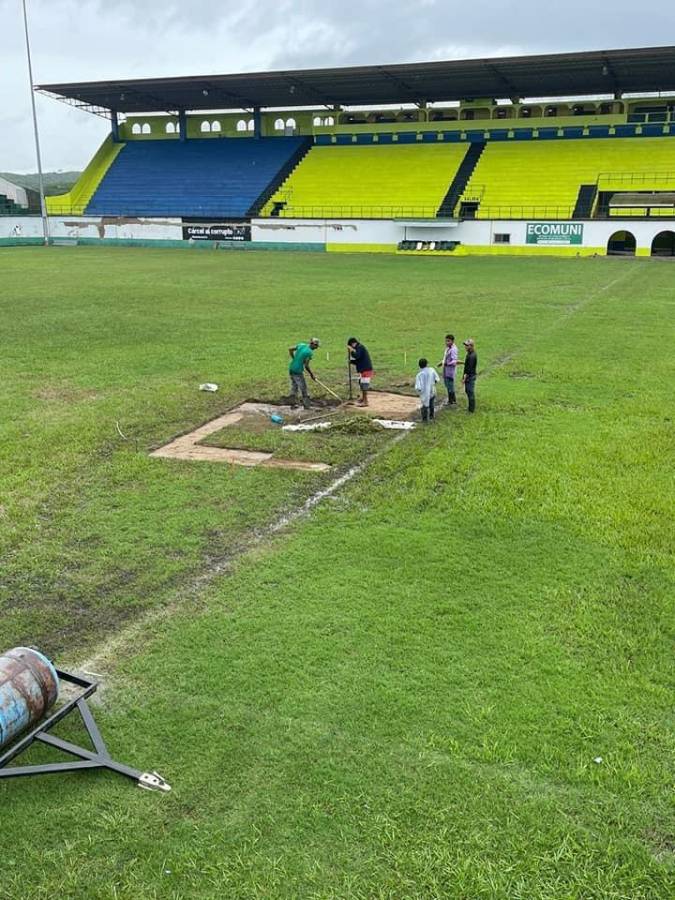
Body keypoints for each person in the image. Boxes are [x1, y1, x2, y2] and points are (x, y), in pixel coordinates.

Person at [288, 338, 320, 409]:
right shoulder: (309, 352)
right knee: (303, 388)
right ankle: (307, 405)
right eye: (316, 346)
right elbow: (306, 365)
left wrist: (294, 358)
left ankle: (293, 404)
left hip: (291, 368)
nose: (316, 348)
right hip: (298, 371)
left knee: (294, 386)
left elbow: (290, 349)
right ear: (313, 344)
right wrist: (312, 375)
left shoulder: (301, 345)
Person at [347, 337, 373, 407]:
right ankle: (363, 398)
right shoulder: (359, 348)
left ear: (353, 343)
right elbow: (358, 360)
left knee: (364, 385)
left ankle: (365, 401)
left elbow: (357, 356)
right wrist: (351, 361)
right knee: (361, 383)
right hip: (363, 369)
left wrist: (351, 351)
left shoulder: (360, 348)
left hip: (366, 369)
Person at [415, 358, 440, 422]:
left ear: (419, 365)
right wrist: (432, 384)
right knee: (431, 404)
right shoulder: (432, 370)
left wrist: (420, 392)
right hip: (432, 390)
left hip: (425, 393)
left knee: (424, 406)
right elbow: (437, 379)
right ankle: (431, 416)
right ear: (427, 364)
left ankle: (424, 419)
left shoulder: (419, 375)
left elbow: (418, 387)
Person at [438, 334, 459, 406]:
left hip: (450, 371)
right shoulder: (448, 348)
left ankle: (452, 401)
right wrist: (441, 363)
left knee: (450, 386)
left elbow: (454, 361)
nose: (447, 342)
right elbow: (445, 358)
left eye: (448, 341)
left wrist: (447, 364)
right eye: (446, 341)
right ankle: (451, 400)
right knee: (448, 385)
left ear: (452, 341)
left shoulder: (453, 350)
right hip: (446, 370)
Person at [461, 339, 478, 413]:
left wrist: (464, 378)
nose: (465, 347)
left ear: (471, 346)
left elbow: (469, 369)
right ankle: (470, 408)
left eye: (467, 345)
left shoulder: (471, 356)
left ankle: (471, 410)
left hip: (470, 376)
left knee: (470, 392)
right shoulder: (469, 354)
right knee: (468, 391)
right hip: (469, 376)